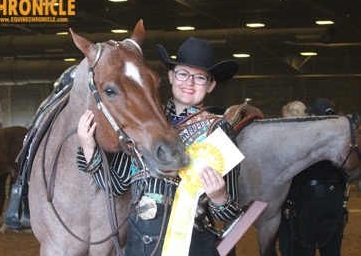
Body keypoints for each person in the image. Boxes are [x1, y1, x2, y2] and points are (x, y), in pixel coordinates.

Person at [77, 37, 243, 255]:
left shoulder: (218, 130)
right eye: (183, 74)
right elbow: (115, 187)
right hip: (140, 244)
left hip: (192, 245)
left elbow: (229, 214)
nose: (189, 83)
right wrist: (88, 147)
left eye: (200, 78)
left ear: (211, 85)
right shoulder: (140, 125)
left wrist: (219, 195)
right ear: (171, 77)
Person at [280, 98, 348, 256]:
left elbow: (301, 172)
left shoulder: (309, 140)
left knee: (304, 249)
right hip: (335, 197)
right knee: (332, 251)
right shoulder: (339, 138)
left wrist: (290, 201)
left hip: (309, 201)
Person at [277, 100, 307, 256]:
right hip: (287, 200)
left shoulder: (306, 142)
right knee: (286, 245)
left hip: (301, 201)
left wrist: (290, 202)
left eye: (287, 118)